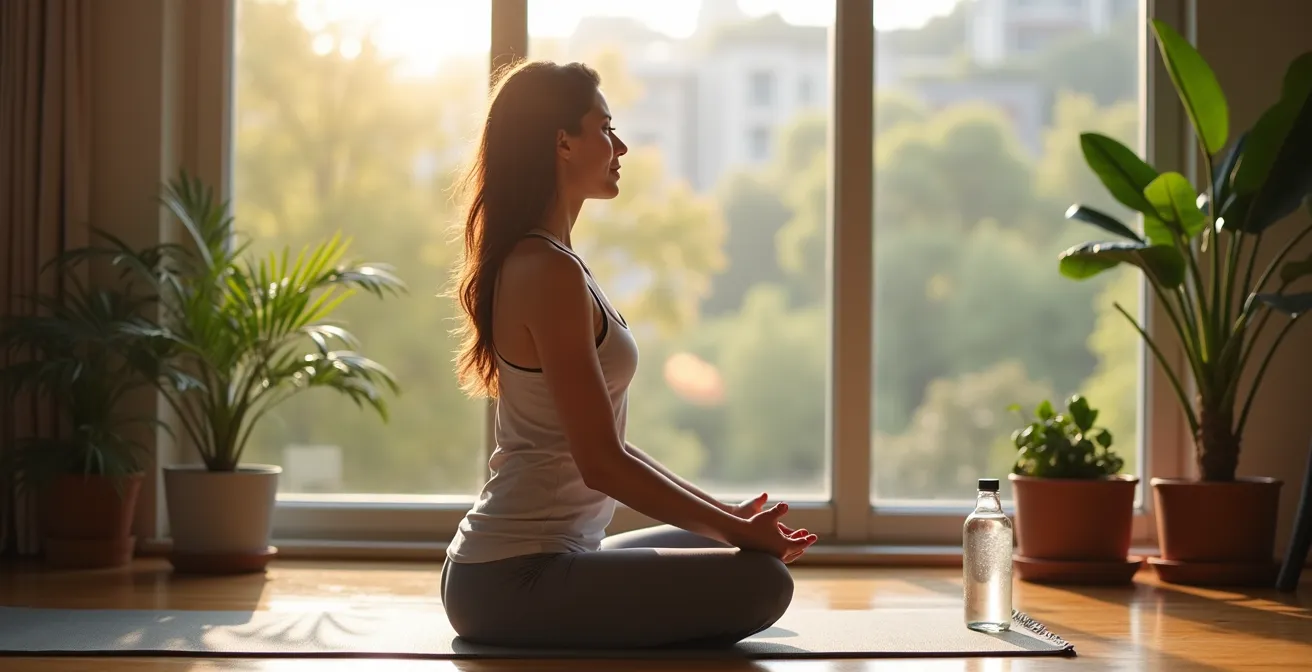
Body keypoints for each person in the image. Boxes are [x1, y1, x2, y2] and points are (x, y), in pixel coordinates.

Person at [438, 59, 819, 650]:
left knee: (729, 547)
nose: (620, 145)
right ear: (562, 141)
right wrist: (735, 528)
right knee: (763, 582)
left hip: (535, 564)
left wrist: (727, 518)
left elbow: (605, 444)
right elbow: (603, 463)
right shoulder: (544, 270)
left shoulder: (560, 263)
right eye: (605, 128)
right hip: (511, 579)